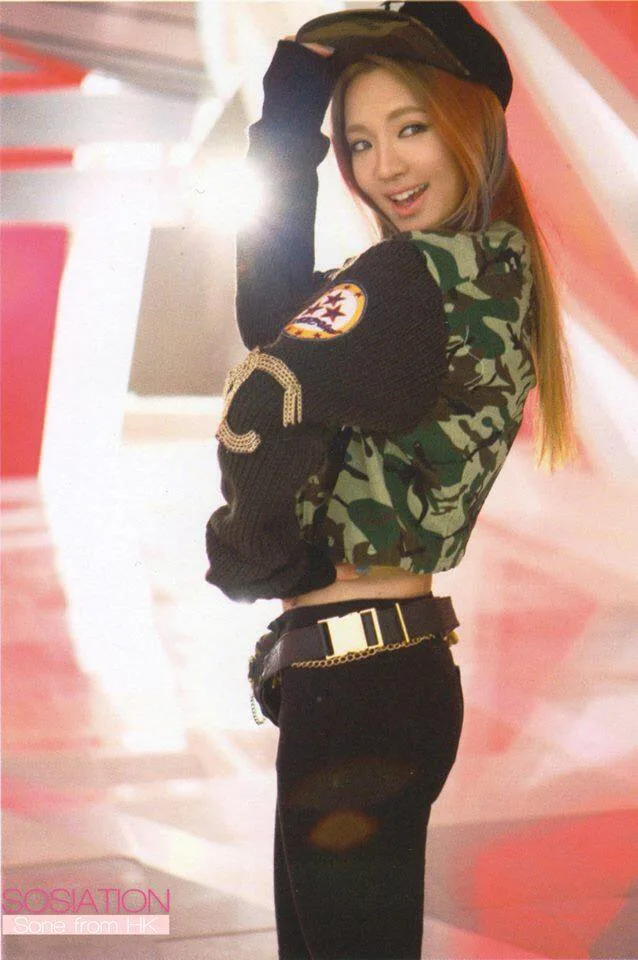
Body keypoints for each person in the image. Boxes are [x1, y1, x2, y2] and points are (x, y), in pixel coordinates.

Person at [205, 3, 574, 957]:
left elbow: (265, 387)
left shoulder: (410, 280)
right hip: (389, 677)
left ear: (469, 126)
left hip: (357, 691)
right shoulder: (486, 270)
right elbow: (279, 316)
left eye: (410, 128)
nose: (384, 167)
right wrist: (293, 125)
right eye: (360, 142)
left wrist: (253, 554)